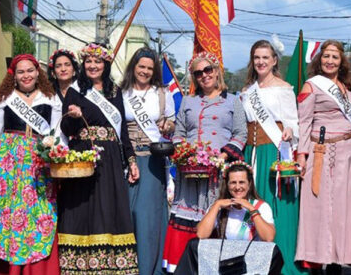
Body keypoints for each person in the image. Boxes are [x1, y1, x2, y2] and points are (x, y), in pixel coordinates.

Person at [162, 51, 247, 273]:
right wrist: (184, 153)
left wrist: (223, 157)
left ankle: (213, 267)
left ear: (217, 71)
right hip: (189, 171)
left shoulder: (232, 100)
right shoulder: (189, 101)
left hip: (216, 172)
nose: (204, 75)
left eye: (208, 70)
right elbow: (179, 132)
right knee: (185, 212)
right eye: (198, 73)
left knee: (214, 214)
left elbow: (240, 134)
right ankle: (181, 266)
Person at [59, 43, 140, 274]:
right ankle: (78, 265)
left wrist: (131, 160)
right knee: (83, 206)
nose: (93, 66)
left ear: (106, 65)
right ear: (83, 65)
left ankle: (111, 265)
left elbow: (121, 128)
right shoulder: (75, 90)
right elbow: (65, 127)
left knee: (109, 207)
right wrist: (73, 116)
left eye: (98, 61)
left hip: (112, 157)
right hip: (84, 154)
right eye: (89, 61)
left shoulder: (114, 91)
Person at [0, 54, 60, 274]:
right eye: (21, 72)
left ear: (37, 72)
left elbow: (57, 132)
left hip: (38, 163)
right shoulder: (5, 98)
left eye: (30, 70)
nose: (26, 76)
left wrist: (57, 156)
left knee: (38, 211)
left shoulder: (50, 98)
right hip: (8, 163)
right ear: (14, 76)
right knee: (6, 213)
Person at [295, 40, 351, 274]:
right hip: (320, 152)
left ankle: (337, 261)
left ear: (341, 61)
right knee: (319, 207)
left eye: (335, 57)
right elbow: (304, 124)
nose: (330, 61)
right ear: (319, 59)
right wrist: (302, 156)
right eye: (326, 56)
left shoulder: (347, 87)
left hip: (348, 154)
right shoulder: (311, 86)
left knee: (344, 209)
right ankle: (316, 261)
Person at [240, 40, 304, 274]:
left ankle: (284, 265)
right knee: (253, 209)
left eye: (265, 57)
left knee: (277, 209)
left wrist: (289, 131)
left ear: (274, 60)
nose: (261, 62)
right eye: (257, 57)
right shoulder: (247, 91)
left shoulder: (284, 88)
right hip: (252, 153)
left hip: (275, 152)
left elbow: (294, 123)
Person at [120, 47, 175, 275]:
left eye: (149, 68)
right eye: (141, 66)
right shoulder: (120, 92)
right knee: (124, 215)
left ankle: (147, 269)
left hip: (152, 161)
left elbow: (171, 125)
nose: (144, 71)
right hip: (124, 159)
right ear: (133, 66)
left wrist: (167, 127)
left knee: (146, 218)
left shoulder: (162, 94)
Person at [176, 162, 283, 274]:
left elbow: (269, 238)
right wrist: (216, 206)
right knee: (193, 244)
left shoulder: (261, 206)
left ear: (249, 184)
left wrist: (251, 209)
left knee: (274, 251)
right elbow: (201, 235)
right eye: (233, 183)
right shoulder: (220, 206)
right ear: (227, 185)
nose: (237, 187)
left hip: (252, 259)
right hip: (224, 258)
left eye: (242, 182)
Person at [48, 48, 80, 145]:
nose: (63, 69)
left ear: (74, 70)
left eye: (67, 65)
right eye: (58, 66)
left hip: (80, 145)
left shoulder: (84, 92)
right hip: (56, 146)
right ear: (53, 73)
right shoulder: (48, 94)